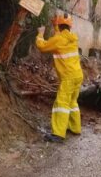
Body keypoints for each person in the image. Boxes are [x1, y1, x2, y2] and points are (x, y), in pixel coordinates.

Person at [36, 14, 83, 142]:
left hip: (68, 77)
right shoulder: (72, 38)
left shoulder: (58, 39)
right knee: (72, 102)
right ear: (69, 27)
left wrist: (40, 33)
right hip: (78, 75)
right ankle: (75, 128)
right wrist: (55, 25)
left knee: (61, 103)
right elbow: (60, 37)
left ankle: (58, 134)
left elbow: (42, 46)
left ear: (60, 26)